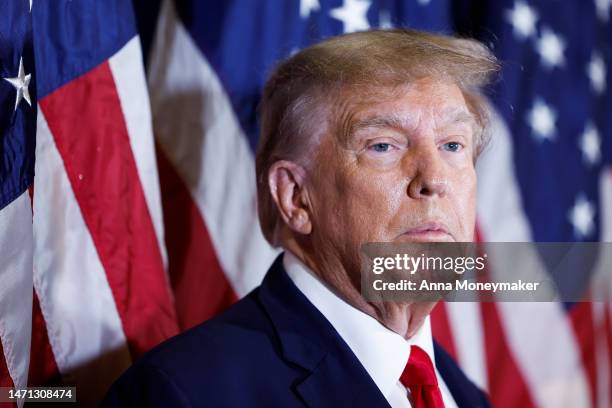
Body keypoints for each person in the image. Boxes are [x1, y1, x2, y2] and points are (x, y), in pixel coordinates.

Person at [103, 29, 498, 407]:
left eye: (452, 144)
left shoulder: (459, 391)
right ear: (295, 198)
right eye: (383, 146)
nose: (433, 179)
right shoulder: (183, 393)